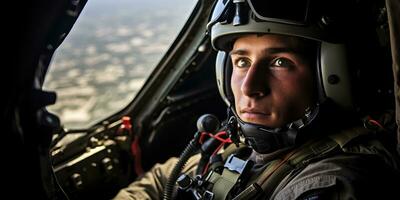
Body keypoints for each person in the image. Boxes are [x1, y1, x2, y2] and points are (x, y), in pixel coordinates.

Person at [114, 0, 400, 199]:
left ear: (330, 74)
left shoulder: (334, 179)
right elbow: (160, 180)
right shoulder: (239, 147)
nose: (250, 87)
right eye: (241, 62)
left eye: (279, 62)